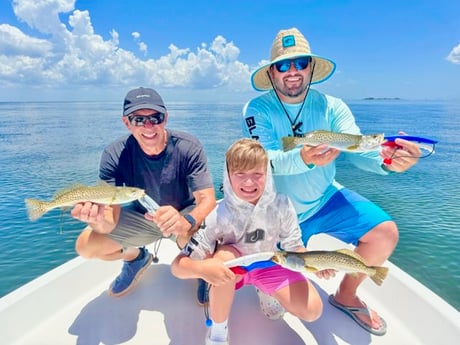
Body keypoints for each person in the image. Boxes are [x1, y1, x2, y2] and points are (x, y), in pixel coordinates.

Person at [242, 28, 421, 336]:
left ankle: (346, 295)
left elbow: (356, 147)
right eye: (284, 65)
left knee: (385, 234)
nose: (293, 71)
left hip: (325, 199)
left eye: (300, 62)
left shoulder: (333, 107)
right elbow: (262, 161)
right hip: (276, 212)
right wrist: (305, 158)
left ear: (311, 66)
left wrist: (389, 160)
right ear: (272, 72)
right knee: (275, 312)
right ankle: (267, 276)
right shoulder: (257, 109)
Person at [171, 138, 323, 345]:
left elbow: (294, 246)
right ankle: (218, 331)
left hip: (268, 262)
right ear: (228, 176)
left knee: (312, 311)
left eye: (257, 174)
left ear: (267, 175)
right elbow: (178, 267)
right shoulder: (218, 214)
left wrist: (317, 264)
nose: (249, 182)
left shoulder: (282, 205)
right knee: (223, 257)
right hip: (233, 269)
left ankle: (266, 290)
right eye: (240, 174)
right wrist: (204, 270)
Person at [71, 87, 216, 297]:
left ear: (165, 118)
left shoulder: (188, 146)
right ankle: (135, 257)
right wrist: (96, 219)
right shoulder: (114, 154)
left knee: (202, 245)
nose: (148, 126)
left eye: (155, 117)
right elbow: (110, 219)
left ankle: (202, 271)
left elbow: (207, 199)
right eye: (138, 119)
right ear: (126, 122)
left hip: (183, 217)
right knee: (86, 246)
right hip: (143, 218)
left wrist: (187, 222)